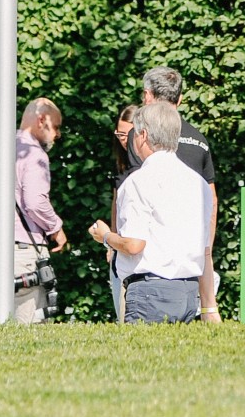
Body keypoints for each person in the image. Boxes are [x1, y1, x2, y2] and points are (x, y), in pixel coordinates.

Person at [88, 103, 210, 324]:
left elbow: (134, 245)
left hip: (149, 293)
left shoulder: (138, 181)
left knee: (139, 358)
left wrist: (105, 236)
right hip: (190, 291)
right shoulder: (198, 183)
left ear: (142, 135)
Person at [0, 97, 67, 324]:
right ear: (42, 120)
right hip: (22, 256)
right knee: (27, 334)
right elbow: (34, 202)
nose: (57, 134)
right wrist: (56, 228)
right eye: (56, 127)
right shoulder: (34, 154)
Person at [141, 67, 219, 321]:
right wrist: (206, 249)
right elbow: (211, 199)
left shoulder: (143, 137)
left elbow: (136, 191)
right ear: (180, 99)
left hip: (152, 266)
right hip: (193, 255)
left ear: (147, 96)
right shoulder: (200, 140)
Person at [106, 104, 138, 322]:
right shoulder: (122, 163)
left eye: (126, 135)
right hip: (120, 247)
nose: (122, 140)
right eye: (119, 134)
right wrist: (111, 242)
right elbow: (116, 203)